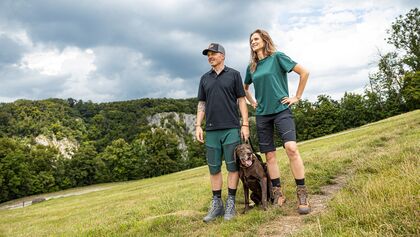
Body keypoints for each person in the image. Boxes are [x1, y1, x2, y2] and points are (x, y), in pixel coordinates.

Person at [243, 29, 311, 214]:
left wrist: (296, 97)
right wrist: (253, 102)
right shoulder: (252, 67)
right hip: (263, 114)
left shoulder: (278, 57)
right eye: (251, 41)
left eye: (256, 39)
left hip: (282, 110)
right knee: (270, 156)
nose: (253, 42)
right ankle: (278, 192)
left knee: (291, 148)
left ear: (265, 40)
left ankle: (302, 193)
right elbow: (244, 87)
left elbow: (304, 72)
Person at [196, 43, 250, 222]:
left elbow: (242, 100)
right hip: (211, 130)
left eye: (213, 54)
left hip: (231, 128)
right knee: (214, 169)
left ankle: (231, 203)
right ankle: (217, 204)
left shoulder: (234, 74)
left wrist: (245, 124)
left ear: (223, 56)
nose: (210, 57)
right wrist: (198, 125)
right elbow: (201, 104)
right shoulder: (204, 78)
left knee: (233, 167)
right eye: (208, 55)